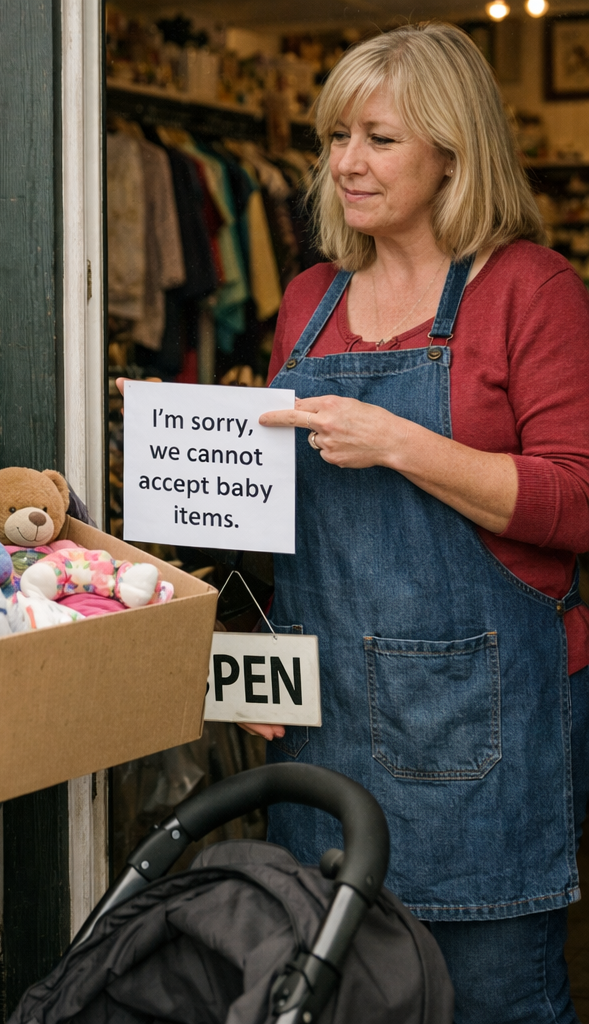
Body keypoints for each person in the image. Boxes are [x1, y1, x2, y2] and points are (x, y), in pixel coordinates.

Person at [252, 22, 589, 1024]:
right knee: (332, 989)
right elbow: (285, 526)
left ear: (454, 149)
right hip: (321, 714)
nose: (344, 163)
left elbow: (575, 498)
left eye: (378, 138)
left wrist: (399, 441)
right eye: (333, 137)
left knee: (491, 995)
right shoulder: (309, 299)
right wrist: (252, 651)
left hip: (485, 721)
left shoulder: (530, 290)